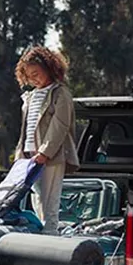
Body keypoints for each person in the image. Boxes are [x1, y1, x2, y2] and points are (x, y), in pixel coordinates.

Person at [14, 46, 79, 234]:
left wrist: (45, 152)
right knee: (38, 199)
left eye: (36, 73)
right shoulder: (31, 96)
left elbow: (60, 126)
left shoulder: (60, 93)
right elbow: (26, 128)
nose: (33, 79)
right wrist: (21, 155)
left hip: (50, 156)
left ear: (49, 68)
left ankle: (50, 239)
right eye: (28, 76)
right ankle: (42, 238)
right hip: (29, 157)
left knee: (49, 202)